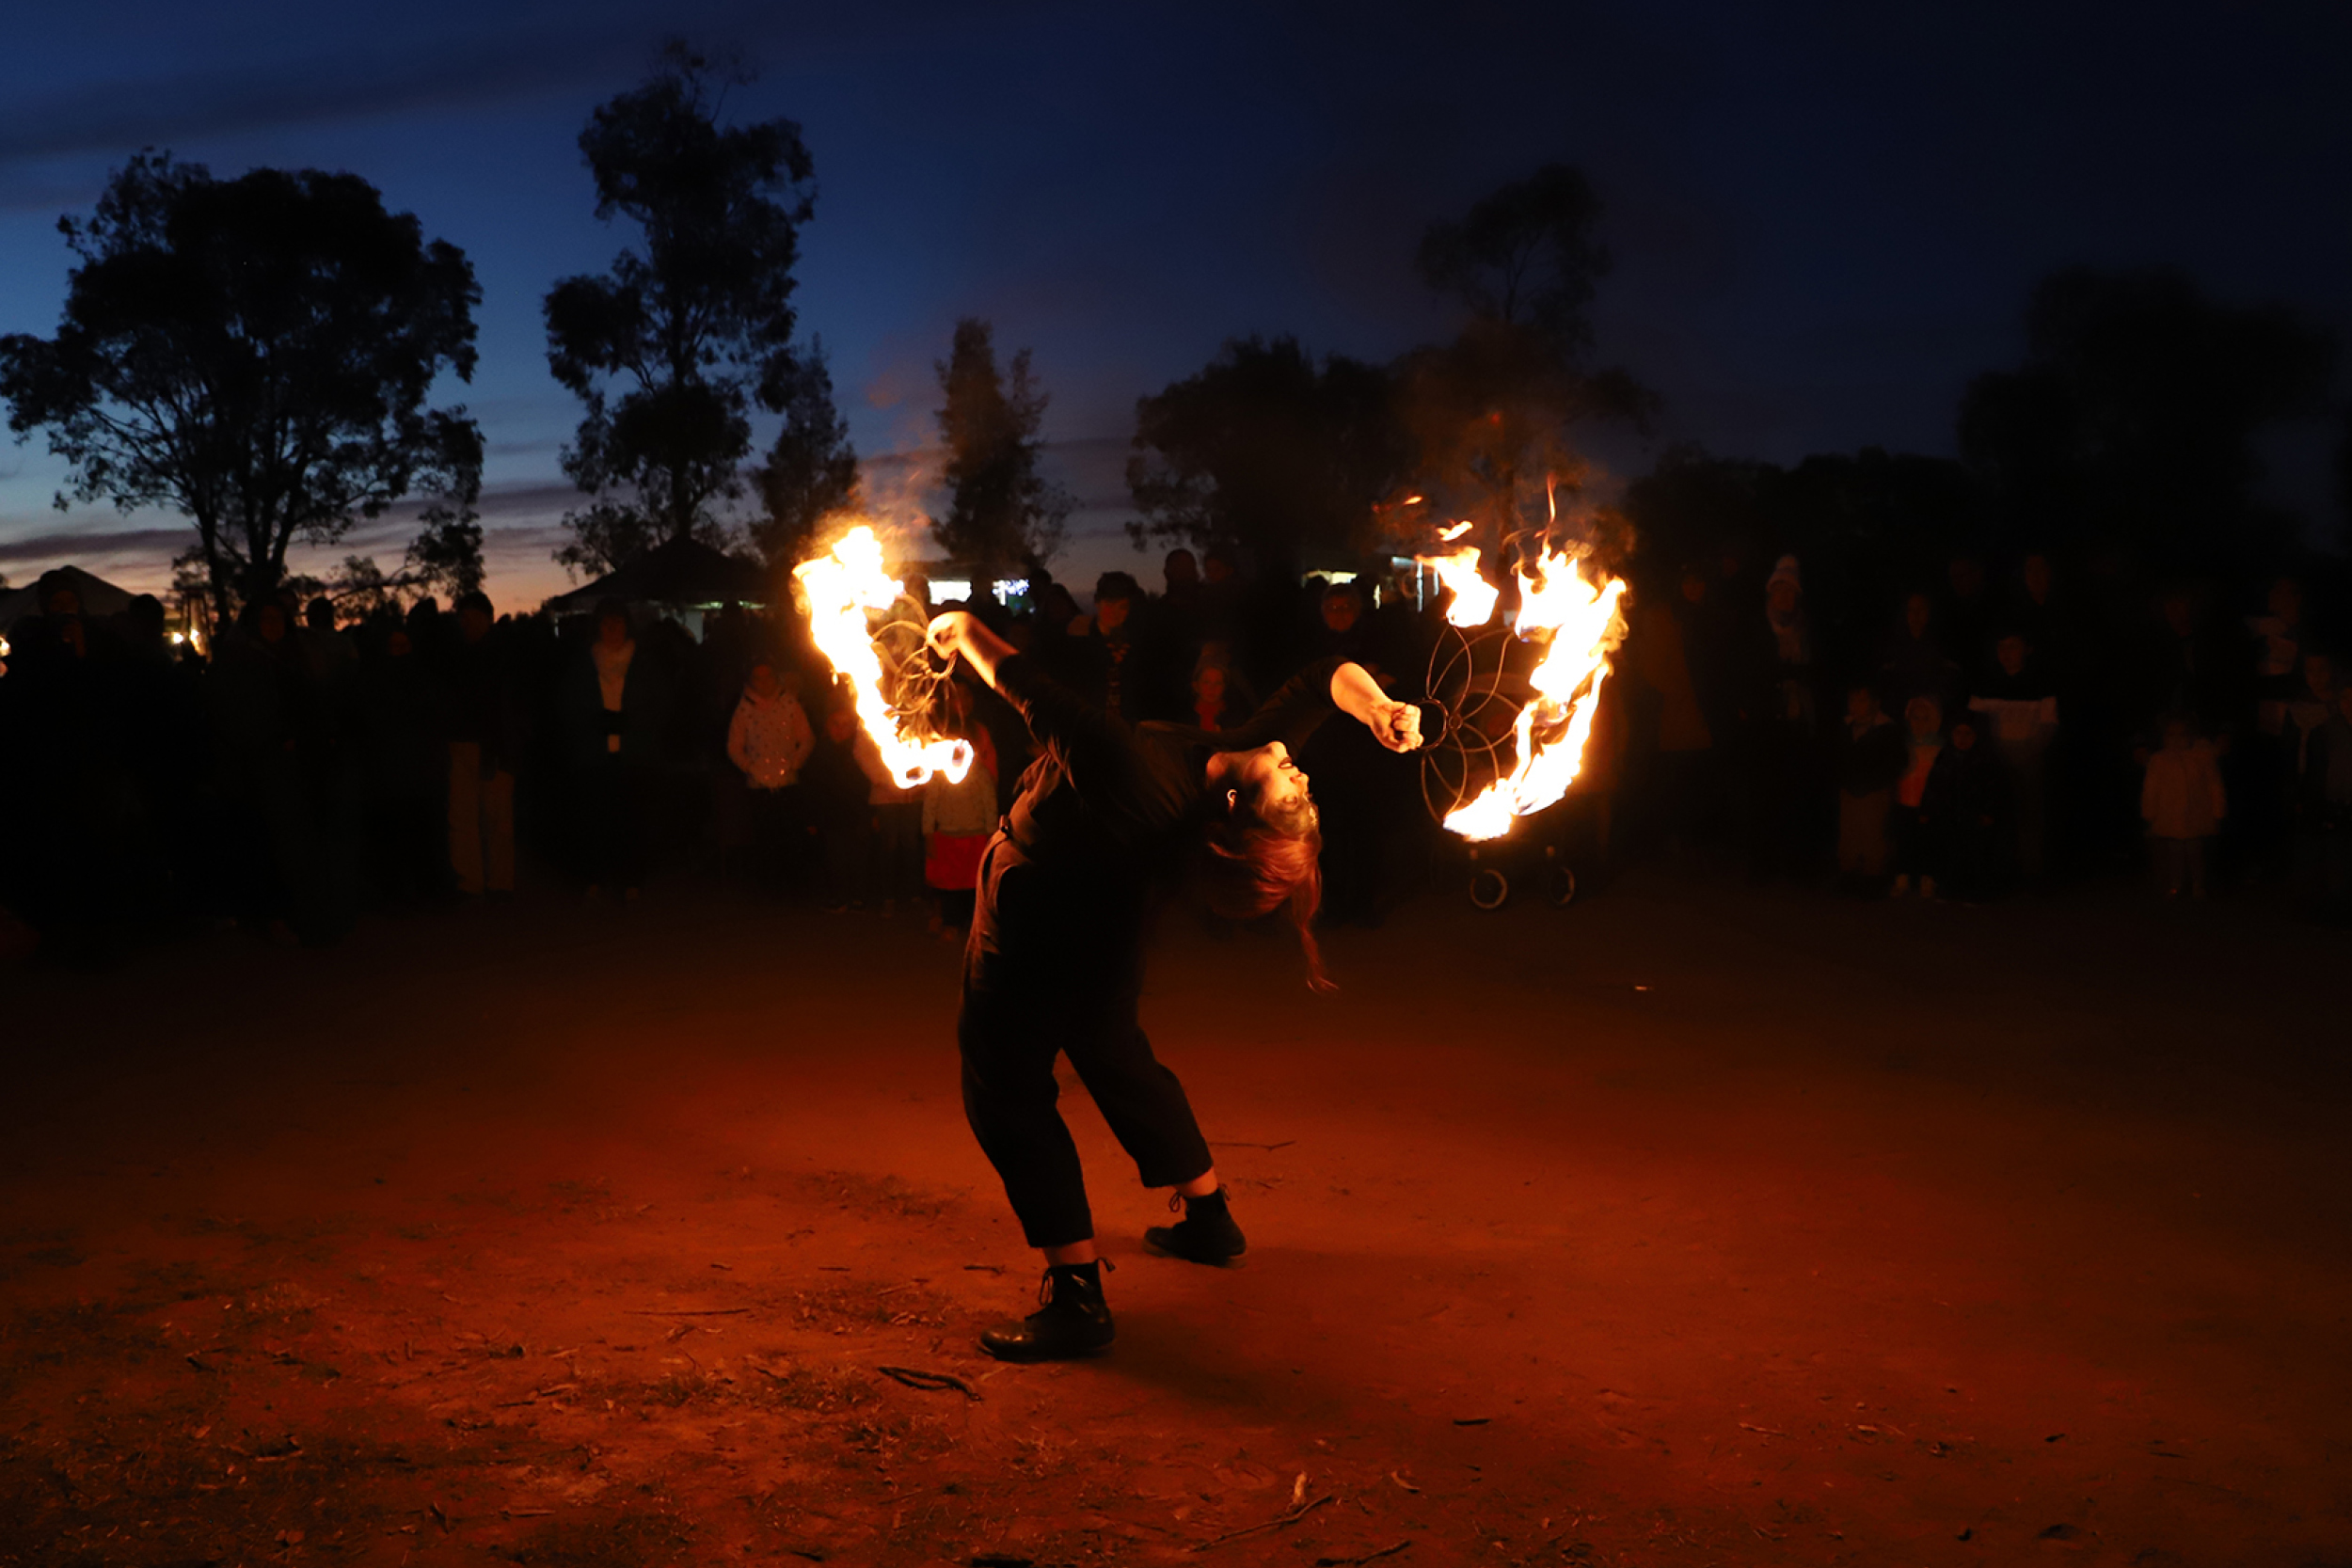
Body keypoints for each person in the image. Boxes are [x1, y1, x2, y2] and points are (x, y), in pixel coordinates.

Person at [923, 608, 1422, 1362]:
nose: (1303, 774)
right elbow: (1322, 679)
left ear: (1234, 810)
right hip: (1110, 923)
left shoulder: (1142, 772)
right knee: (1115, 1052)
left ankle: (1078, 1295)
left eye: (1293, 795)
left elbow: (1031, 690)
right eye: (1304, 794)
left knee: (1004, 1086)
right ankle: (1209, 1216)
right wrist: (1378, 708)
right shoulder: (1235, 764)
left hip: (1038, 917)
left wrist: (960, 629)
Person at [444, 591, 516, 898]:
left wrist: (508, 751)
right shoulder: (455, 655)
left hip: (494, 747)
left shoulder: (503, 655)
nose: (467, 623)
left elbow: (512, 708)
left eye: (473, 617)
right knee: (462, 818)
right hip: (462, 743)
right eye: (463, 617)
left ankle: (499, 880)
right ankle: (468, 880)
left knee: (497, 818)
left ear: (487, 618)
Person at [725, 658, 816, 892]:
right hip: (759, 785)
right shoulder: (744, 708)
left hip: (788, 782)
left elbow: (806, 737)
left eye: (768, 677)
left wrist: (795, 763)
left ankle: (793, 884)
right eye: (759, 677)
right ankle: (770, 887)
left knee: (791, 834)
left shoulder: (789, 703)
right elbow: (734, 746)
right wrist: (751, 768)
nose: (764, 682)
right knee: (766, 837)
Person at [2142, 717, 2226, 898]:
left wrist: (2218, 810)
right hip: (2170, 814)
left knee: (2195, 851)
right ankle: (2176, 883)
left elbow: (2214, 785)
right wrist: (2150, 812)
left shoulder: (2202, 758)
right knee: (2174, 851)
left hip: (2196, 814)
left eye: (2181, 735)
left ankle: (2197, 883)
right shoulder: (2159, 760)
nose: (2176, 739)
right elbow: (2151, 788)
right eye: (2171, 735)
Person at [1833, 684, 1905, 889]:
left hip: (1875, 792)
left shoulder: (1887, 730)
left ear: (1876, 703)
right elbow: (1836, 758)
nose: (1855, 706)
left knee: (1873, 834)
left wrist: (1874, 783)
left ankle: (1873, 877)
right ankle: (1849, 874)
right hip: (1849, 790)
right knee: (1849, 832)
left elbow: (1895, 763)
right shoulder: (1845, 727)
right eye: (1852, 700)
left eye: (1861, 700)